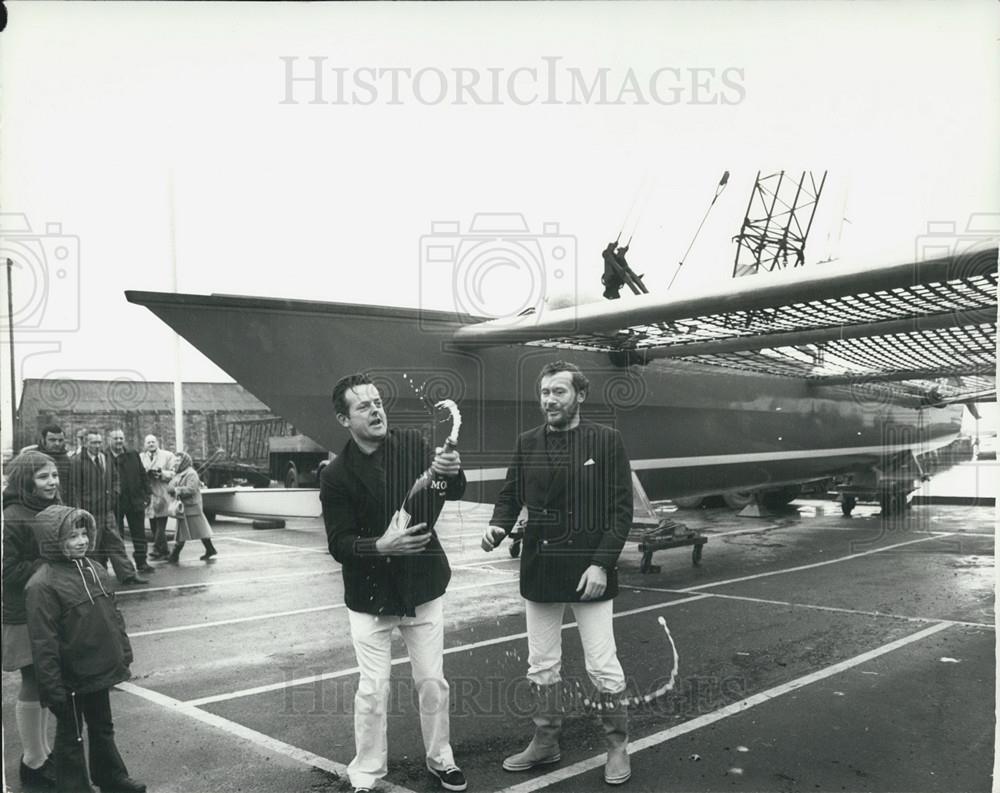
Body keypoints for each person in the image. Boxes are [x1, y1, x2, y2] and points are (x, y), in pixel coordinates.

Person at [483, 360, 634, 785]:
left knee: (602, 664)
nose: (549, 400)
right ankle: (546, 741)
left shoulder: (606, 440)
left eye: (559, 392)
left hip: (590, 570)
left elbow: (621, 510)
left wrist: (602, 563)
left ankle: (617, 746)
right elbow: (510, 495)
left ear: (580, 395)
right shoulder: (527, 441)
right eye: (545, 392)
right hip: (542, 568)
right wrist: (498, 525)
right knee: (542, 663)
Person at [320, 373, 468, 793]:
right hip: (370, 597)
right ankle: (366, 774)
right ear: (344, 419)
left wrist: (452, 472)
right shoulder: (335, 475)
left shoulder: (413, 445)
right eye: (363, 406)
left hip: (422, 586)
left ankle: (441, 759)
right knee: (372, 689)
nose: (375, 410)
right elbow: (339, 543)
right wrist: (380, 545)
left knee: (432, 681)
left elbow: (448, 490)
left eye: (378, 402)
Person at [25, 504, 146, 793]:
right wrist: (52, 687)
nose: (81, 541)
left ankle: (111, 777)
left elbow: (113, 615)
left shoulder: (95, 568)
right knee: (71, 737)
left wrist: (123, 651)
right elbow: (43, 642)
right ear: (52, 541)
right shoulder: (42, 584)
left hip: (98, 669)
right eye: (72, 536)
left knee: (103, 726)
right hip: (70, 676)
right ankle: (74, 787)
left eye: (83, 533)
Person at [2, 451, 60, 790]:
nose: (52, 482)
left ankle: (41, 753)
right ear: (27, 481)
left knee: (45, 681)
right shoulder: (12, 515)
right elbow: (8, 570)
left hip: (47, 608)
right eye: (43, 476)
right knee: (34, 679)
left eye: (54, 475)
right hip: (22, 611)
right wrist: (48, 562)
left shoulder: (50, 508)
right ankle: (33, 760)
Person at [69, 431, 147, 586]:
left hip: (107, 510)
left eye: (99, 442)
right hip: (89, 511)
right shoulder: (77, 461)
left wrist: (114, 495)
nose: (97, 445)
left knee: (116, 544)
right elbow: (74, 488)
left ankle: (128, 575)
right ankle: (93, 578)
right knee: (92, 547)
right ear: (85, 443)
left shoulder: (105, 458)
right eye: (94, 442)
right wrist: (79, 510)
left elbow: (115, 478)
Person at [107, 430, 154, 574]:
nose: (119, 441)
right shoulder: (104, 457)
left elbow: (142, 474)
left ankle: (142, 562)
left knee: (139, 534)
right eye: (116, 438)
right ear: (109, 440)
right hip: (116, 503)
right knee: (118, 536)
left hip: (135, 501)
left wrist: (147, 494)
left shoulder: (133, 455)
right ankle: (123, 567)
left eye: (121, 438)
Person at [164, 451, 217, 563]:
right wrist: (172, 488)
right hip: (185, 507)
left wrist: (177, 490)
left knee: (194, 530)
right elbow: (170, 486)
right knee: (199, 530)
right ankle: (210, 549)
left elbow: (191, 489)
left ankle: (174, 555)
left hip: (192, 507)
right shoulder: (179, 473)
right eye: (175, 460)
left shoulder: (191, 473)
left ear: (184, 461)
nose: (176, 462)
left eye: (179, 460)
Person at [140, 435, 176, 561]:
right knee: (153, 524)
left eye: (153, 442)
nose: (151, 444)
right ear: (145, 444)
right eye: (148, 442)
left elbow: (174, 472)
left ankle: (156, 549)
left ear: (157, 443)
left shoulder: (168, 455)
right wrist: (145, 474)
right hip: (149, 494)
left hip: (162, 493)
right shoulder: (141, 457)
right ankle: (165, 551)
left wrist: (161, 474)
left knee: (161, 523)